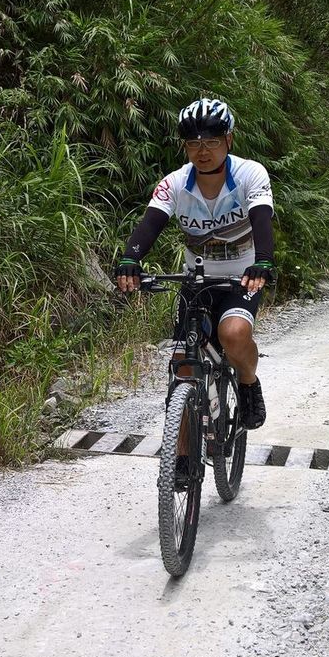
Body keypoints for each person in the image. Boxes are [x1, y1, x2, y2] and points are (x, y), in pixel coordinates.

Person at [115, 97, 274, 429]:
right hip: (196, 279)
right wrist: (131, 258)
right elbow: (151, 223)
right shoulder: (175, 182)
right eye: (193, 143)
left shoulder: (249, 173)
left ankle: (248, 383)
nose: (203, 151)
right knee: (183, 365)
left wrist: (263, 261)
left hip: (240, 278)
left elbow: (261, 217)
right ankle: (183, 455)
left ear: (229, 140)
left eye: (212, 141)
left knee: (233, 334)